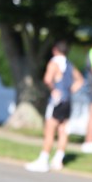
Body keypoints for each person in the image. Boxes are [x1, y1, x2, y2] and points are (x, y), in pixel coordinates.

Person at [25, 40, 84, 173]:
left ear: (55, 50)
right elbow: (80, 80)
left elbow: (47, 79)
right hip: (67, 101)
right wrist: (70, 90)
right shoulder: (69, 65)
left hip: (57, 101)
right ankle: (58, 159)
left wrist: (54, 90)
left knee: (50, 130)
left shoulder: (54, 63)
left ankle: (44, 159)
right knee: (63, 130)